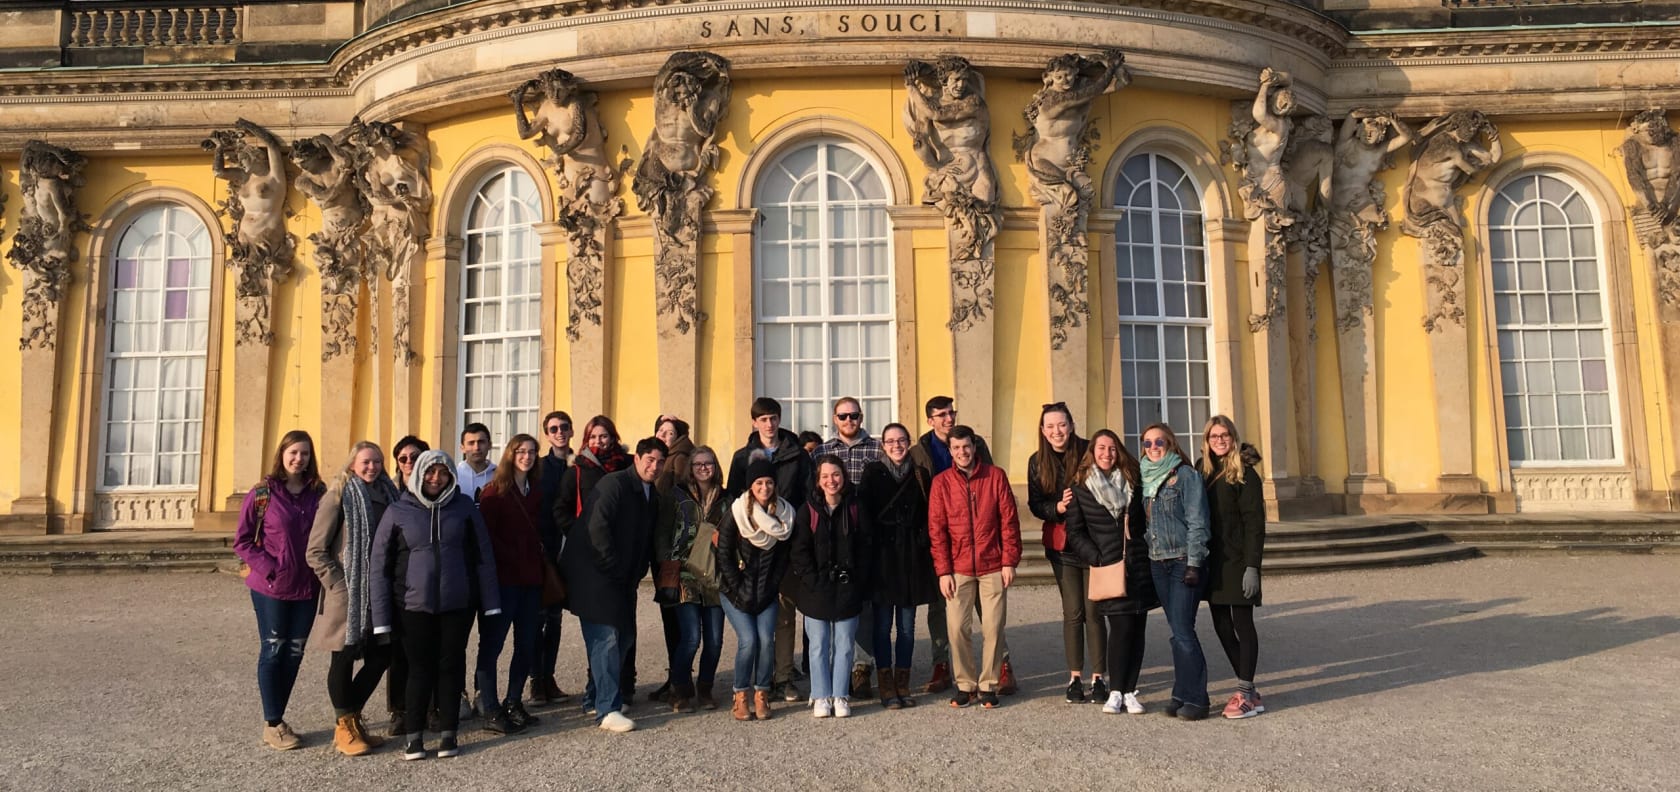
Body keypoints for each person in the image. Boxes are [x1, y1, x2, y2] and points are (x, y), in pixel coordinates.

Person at [371, 450, 501, 760]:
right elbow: (379, 566)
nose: (436, 478)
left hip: (457, 603)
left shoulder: (464, 508)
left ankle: (448, 733)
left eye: (442, 473)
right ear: (419, 474)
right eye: (430, 472)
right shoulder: (398, 511)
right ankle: (414, 737)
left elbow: (483, 556)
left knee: (451, 667)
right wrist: (381, 618)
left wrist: (491, 602)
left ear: (450, 476)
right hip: (413, 606)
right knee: (419, 669)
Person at [907, 396, 1014, 695]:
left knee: (992, 622)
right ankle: (949, 670)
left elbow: (1003, 511)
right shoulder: (921, 453)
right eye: (940, 415)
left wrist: (1008, 559)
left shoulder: (984, 457)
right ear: (930, 420)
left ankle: (998, 672)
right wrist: (942, 564)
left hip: (988, 552)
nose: (947, 418)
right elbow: (931, 515)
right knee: (949, 619)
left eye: (951, 413)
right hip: (951, 551)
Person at [562, 437, 667, 734]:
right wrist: (613, 567)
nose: (654, 466)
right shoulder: (615, 484)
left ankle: (595, 698)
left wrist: (635, 571)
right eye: (649, 459)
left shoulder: (652, 494)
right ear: (637, 458)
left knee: (624, 638)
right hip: (595, 574)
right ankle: (607, 710)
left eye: (660, 461)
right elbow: (597, 526)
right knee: (605, 639)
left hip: (622, 579)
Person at [306, 440, 399, 756]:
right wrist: (338, 584)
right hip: (349, 592)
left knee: (381, 656)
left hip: (381, 590)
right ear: (352, 464)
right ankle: (344, 726)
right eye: (366, 462)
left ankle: (351, 716)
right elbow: (315, 550)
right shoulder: (338, 496)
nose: (372, 467)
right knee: (344, 657)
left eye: (377, 461)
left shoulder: (390, 494)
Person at [234, 430, 325, 751]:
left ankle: (279, 718)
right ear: (282, 454)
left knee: (294, 652)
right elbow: (242, 541)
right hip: (271, 586)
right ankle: (272, 723)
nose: (299, 459)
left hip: (307, 586)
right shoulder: (263, 493)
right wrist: (270, 567)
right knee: (273, 649)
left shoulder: (318, 492)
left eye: (305, 454)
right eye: (293, 452)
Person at [725, 397, 815, 702]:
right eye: (762, 419)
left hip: (786, 542)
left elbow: (806, 497)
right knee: (757, 614)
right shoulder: (742, 457)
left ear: (779, 419)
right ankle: (756, 680)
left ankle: (783, 677)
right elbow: (735, 502)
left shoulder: (797, 456)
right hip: (752, 548)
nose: (769, 424)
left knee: (785, 614)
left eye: (773, 418)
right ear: (754, 422)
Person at [1062, 429, 1157, 715]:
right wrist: (1097, 557)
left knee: (1138, 628)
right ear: (1092, 451)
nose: (1107, 453)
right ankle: (1115, 690)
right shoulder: (1080, 487)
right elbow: (1075, 533)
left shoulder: (1133, 481)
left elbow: (1141, 523)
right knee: (1120, 627)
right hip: (1108, 566)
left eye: (1112, 448)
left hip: (1137, 564)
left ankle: (1130, 690)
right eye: (1101, 448)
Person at [927, 425, 1021, 709]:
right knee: (957, 628)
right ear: (950, 451)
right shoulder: (941, 483)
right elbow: (937, 530)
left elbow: (1009, 522)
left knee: (993, 628)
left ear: (974, 447)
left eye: (966, 446)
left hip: (993, 564)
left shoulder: (995, 477)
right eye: (956, 448)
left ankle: (989, 684)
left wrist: (1009, 561)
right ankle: (965, 684)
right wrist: (943, 571)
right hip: (958, 567)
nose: (962, 452)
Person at [1026, 402, 1105, 704]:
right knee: (1073, 613)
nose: (1057, 431)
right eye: (1050, 426)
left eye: (1062, 424)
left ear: (1071, 425)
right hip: (1062, 546)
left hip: (1094, 543)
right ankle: (1075, 677)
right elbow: (1035, 503)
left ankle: (1099, 677)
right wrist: (1056, 508)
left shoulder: (1089, 451)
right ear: (1043, 432)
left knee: (1095, 612)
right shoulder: (1037, 461)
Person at [555, 415, 635, 706]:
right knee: (604, 633)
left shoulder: (628, 466)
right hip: (590, 560)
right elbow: (560, 509)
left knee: (624, 632)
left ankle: (607, 689)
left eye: (604, 436)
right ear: (586, 440)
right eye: (594, 437)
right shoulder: (577, 471)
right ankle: (600, 697)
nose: (599, 442)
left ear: (613, 437)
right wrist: (579, 535)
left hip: (622, 557)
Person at [473, 434, 548, 735]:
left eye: (532, 452)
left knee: (527, 644)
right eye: (521, 451)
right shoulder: (494, 493)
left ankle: (514, 701)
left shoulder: (536, 492)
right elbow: (486, 541)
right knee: (492, 645)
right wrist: (515, 556)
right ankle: (489, 707)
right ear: (510, 455)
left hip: (531, 581)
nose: (527, 457)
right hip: (504, 582)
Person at [860, 423, 938, 710]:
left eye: (901, 440)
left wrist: (921, 540)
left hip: (910, 560)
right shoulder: (872, 473)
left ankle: (902, 681)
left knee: (906, 627)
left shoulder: (920, 474)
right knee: (882, 627)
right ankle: (886, 683)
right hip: (883, 561)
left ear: (908, 442)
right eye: (890, 441)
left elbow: (929, 514)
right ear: (882, 445)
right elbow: (865, 517)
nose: (896, 445)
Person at [1138, 423, 1212, 721]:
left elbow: (1198, 522)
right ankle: (1181, 692)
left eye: (1159, 442)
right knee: (1176, 631)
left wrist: (1195, 563)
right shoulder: (1145, 479)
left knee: (1183, 631)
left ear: (1170, 443)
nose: (1153, 447)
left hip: (1182, 561)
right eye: (1147, 443)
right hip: (1158, 563)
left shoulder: (1186, 476)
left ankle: (1198, 699)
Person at [788, 456, 872, 718]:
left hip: (848, 587)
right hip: (816, 588)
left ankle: (840, 695)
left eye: (836, 475)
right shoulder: (808, 511)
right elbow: (799, 551)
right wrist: (812, 579)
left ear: (844, 477)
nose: (831, 480)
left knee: (845, 644)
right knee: (819, 644)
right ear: (818, 480)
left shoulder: (855, 507)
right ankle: (821, 694)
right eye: (825, 476)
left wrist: (858, 578)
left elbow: (867, 545)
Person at [813, 396, 884, 698]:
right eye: (843, 416)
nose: (849, 421)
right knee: (828, 604)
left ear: (861, 416)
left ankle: (861, 668)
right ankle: (829, 669)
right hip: (829, 537)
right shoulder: (822, 451)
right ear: (834, 418)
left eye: (854, 415)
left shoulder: (878, 448)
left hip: (864, 535)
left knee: (863, 605)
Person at [1198, 415, 1268, 719]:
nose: (1219, 440)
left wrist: (1253, 566)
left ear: (1233, 437)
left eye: (1224, 435)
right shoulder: (1205, 472)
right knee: (1221, 627)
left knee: (1242, 624)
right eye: (1214, 436)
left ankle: (1244, 691)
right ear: (1207, 441)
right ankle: (1249, 689)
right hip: (1214, 562)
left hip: (1239, 561)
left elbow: (1255, 524)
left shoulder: (1245, 475)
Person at [716, 458, 793, 721]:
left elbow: (783, 558)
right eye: (759, 482)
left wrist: (773, 586)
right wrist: (738, 587)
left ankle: (762, 693)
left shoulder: (784, 516)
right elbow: (723, 554)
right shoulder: (736, 513)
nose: (765, 487)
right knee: (748, 642)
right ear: (750, 486)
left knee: (766, 642)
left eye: (769, 482)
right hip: (735, 592)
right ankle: (740, 695)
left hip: (766, 593)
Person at [654, 445, 728, 712]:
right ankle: (680, 688)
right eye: (697, 464)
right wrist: (666, 563)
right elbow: (662, 532)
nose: (703, 468)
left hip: (716, 576)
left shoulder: (727, 498)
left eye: (708, 463)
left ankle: (705, 688)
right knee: (690, 637)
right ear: (690, 469)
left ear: (715, 466)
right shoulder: (676, 496)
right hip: (685, 573)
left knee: (715, 639)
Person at [381, 435, 427, 733]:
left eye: (415, 457)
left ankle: (431, 706)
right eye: (403, 458)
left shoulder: (439, 488)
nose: (409, 462)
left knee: (431, 649)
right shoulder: (389, 495)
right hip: (398, 580)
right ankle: (399, 709)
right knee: (399, 651)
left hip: (428, 582)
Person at [650, 414, 694, 705]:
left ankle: (681, 679)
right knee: (671, 615)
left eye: (670, 431)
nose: (665, 435)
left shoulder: (680, 459)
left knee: (680, 616)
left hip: (676, 551)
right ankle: (676, 675)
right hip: (663, 549)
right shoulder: (657, 458)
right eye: (661, 431)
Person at [532, 411, 573, 705]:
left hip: (569, 551)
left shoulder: (578, 465)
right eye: (553, 429)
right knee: (539, 620)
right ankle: (536, 680)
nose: (559, 432)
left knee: (556, 620)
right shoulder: (540, 467)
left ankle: (549, 676)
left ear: (571, 431)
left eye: (564, 427)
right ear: (547, 434)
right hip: (544, 550)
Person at [456, 423, 496, 500]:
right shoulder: (453, 477)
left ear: (490, 445)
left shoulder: (499, 476)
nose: (476, 448)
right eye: (471, 443)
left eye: (481, 442)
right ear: (462, 448)